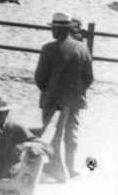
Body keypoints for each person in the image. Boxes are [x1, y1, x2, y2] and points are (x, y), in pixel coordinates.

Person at [35, 12, 94, 181]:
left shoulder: (48, 49)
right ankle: (70, 167)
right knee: (71, 135)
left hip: (52, 100)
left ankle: (55, 168)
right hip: (74, 100)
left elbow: (40, 78)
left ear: (58, 29)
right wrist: (77, 91)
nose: (51, 30)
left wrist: (49, 91)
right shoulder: (82, 48)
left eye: (53, 27)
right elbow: (88, 77)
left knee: (52, 134)